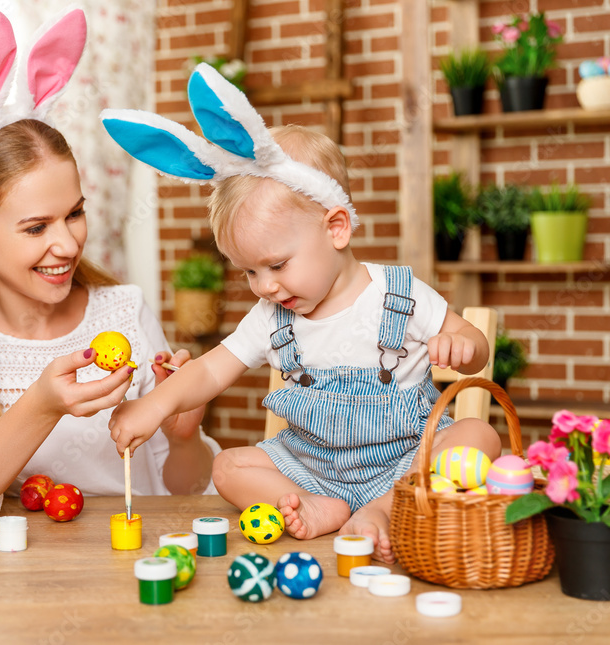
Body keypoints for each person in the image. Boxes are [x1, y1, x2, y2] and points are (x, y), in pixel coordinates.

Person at [101, 64, 500, 563]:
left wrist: (462, 346)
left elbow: (475, 351)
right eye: (247, 272)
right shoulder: (273, 316)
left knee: (478, 435)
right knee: (228, 467)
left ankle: (384, 506)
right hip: (309, 465)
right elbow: (207, 371)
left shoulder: (398, 293)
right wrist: (155, 405)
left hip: (404, 460)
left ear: (335, 228)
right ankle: (318, 507)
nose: (265, 286)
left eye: (276, 265)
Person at [0, 7, 218, 522]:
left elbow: (181, 490)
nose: (67, 244)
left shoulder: (123, 312)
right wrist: (43, 403)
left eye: (76, 214)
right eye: (36, 228)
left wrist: (183, 437)